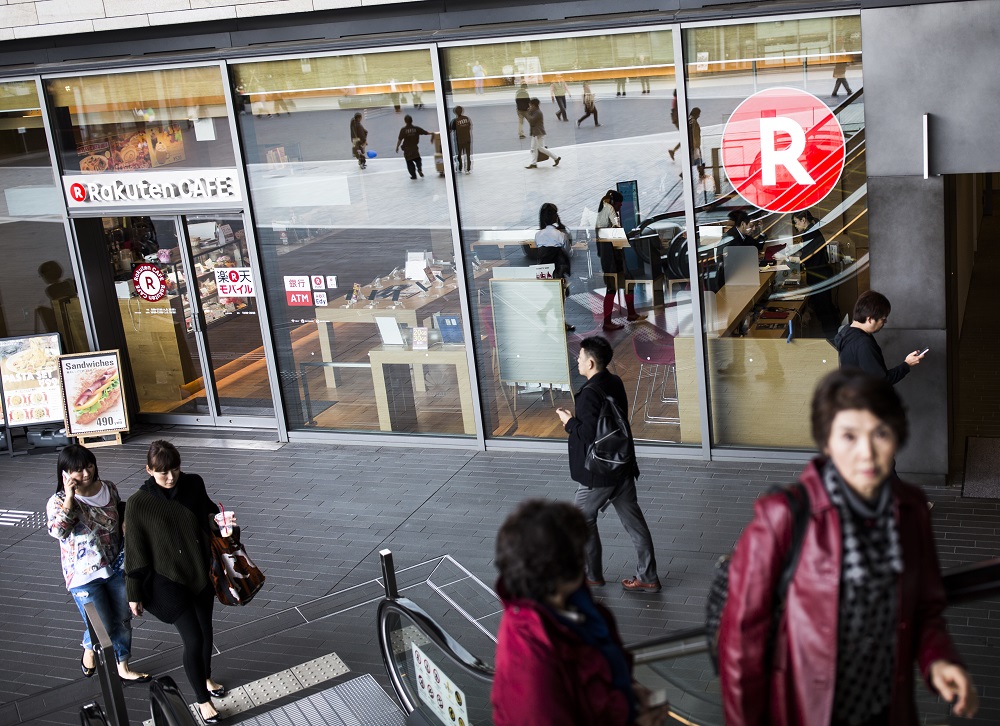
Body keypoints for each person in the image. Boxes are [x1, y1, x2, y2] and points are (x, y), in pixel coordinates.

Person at [719, 368, 978, 724]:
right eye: (849, 436)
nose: (866, 453)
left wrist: (938, 660)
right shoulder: (783, 518)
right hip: (808, 712)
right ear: (826, 442)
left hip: (886, 711)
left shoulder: (911, 509)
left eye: (881, 434)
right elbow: (740, 646)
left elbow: (924, 610)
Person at [491, 499, 670, 725]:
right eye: (578, 551)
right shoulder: (531, 659)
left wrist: (630, 691)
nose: (584, 557)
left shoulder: (579, 608)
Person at [125, 441, 225, 724]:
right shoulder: (138, 503)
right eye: (163, 473)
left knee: (206, 631)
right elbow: (135, 551)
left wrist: (221, 523)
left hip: (200, 571)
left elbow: (207, 515)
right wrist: (134, 593)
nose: (170, 477)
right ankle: (202, 701)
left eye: (175, 470)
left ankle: (205, 677)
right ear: (149, 470)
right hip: (166, 580)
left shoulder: (193, 483)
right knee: (192, 638)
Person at [556, 336, 661, 593]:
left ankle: (592, 575)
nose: (577, 361)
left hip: (599, 473)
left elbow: (588, 434)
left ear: (591, 363)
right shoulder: (613, 381)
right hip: (621, 465)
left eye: (580, 358)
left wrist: (568, 422)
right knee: (635, 523)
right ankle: (647, 576)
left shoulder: (590, 394)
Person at [46, 445, 150, 684]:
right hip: (83, 575)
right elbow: (59, 532)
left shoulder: (108, 487)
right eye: (78, 470)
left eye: (89, 466)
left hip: (116, 565)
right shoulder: (58, 501)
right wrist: (70, 498)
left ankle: (122, 665)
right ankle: (89, 647)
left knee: (123, 618)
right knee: (102, 624)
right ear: (65, 473)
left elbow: (118, 516)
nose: (85, 473)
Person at [833, 290, 925, 385]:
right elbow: (881, 381)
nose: (885, 322)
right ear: (869, 319)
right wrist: (907, 364)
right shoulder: (863, 344)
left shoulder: (846, 331)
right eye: (883, 319)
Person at [791, 209, 840, 336]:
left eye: (796, 222)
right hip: (822, 274)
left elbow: (804, 257)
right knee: (826, 309)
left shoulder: (810, 234)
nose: (795, 226)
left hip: (819, 276)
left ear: (803, 220)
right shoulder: (812, 232)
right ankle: (835, 337)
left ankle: (833, 340)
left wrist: (788, 257)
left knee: (824, 311)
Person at [596, 189, 639, 330]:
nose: (620, 208)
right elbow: (615, 239)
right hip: (613, 261)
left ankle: (631, 313)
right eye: (619, 205)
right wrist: (628, 235)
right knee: (612, 289)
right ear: (614, 203)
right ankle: (607, 322)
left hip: (611, 259)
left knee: (627, 283)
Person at [535, 202, 574, 331]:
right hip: (557, 271)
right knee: (562, 295)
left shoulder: (538, 235)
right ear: (554, 217)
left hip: (543, 271)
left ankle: (546, 314)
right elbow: (570, 252)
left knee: (558, 295)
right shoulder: (560, 235)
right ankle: (560, 323)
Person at [524, 98, 561, 169]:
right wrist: (529, 112)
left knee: (540, 148)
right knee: (533, 148)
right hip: (536, 133)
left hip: (538, 133)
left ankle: (556, 158)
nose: (530, 107)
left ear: (534, 105)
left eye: (531, 105)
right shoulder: (535, 111)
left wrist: (528, 113)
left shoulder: (538, 112)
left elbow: (531, 121)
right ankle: (533, 163)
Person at [395, 114, 431, 179]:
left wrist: (397, 147)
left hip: (407, 149)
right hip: (414, 148)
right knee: (418, 159)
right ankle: (419, 169)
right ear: (412, 120)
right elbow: (425, 132)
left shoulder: (403, 130)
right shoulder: (416, 128)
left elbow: (400, 139)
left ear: (405, 121)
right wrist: (433, 133)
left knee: (409, 162)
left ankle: (413, 175)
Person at [449, 105, 473, 174]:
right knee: (468, 154)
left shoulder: (454, 121)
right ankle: (468, 168)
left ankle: (460, 167)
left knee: (459, 154)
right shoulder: (467, 118)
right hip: (467, 139)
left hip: (459, 140)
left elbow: (450, 130)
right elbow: (469, 127)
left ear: (455, 113)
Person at [668, 89, 680, 159]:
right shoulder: (677, 100)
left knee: (686, 137)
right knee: (687, 137)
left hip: (676, 120)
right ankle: (673, 151)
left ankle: (673, 151)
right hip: (678, 121)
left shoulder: (675, 99)